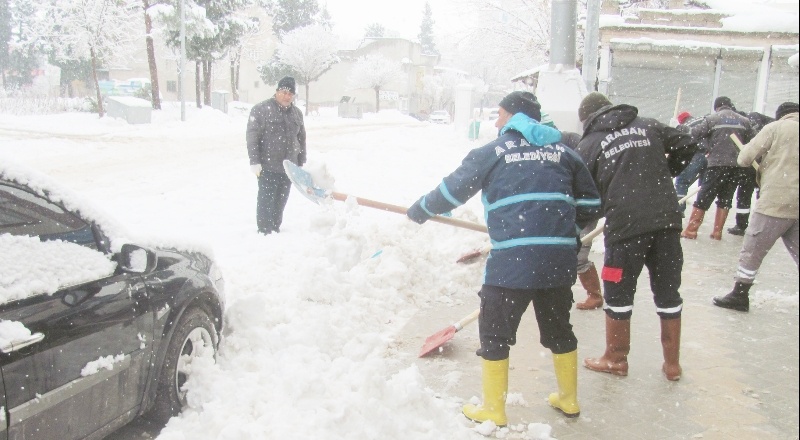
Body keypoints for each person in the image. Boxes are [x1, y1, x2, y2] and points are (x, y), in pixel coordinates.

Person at [407, 91, 602, 424]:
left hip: (513, 261)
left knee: (495, 333)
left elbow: (452, 191)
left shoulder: (491, 153)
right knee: (559, 330)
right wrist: (557, 230)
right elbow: (589, 206)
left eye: (499, 114)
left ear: (514, 117)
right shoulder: (565, 153)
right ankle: (568, 400)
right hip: (557, 262)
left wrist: (421, 209)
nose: (495, 121)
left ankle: (494, 410)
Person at [574, 92, 696, 382]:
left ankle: (616, 359)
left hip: (625, 226)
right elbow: (688, 143)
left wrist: (604, 201)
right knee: (668, 291)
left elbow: (582, 190)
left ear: (588, 119)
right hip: (666, 220)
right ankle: (672, 365)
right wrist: (663, 171)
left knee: (617, 290)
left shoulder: (590, 143)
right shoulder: (648, 125)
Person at [713, 102, 799, 312]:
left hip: (775, 202)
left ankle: (740, 294)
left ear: (781, 116)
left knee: (753, 249)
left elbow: (744, 158)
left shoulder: (775, 128)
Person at [682, 97, 754, 240]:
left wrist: (706, 146)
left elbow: (694, 134)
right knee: (726, 198)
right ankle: (717, 232)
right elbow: (753, 140)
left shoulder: (712, 119)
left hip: (717, 164)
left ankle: (691, 230)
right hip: (736, 165)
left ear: (717, 107)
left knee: (704, 196)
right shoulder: (744, 121)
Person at [246, 76, 307, 234]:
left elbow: (301, 139)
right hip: (267, 166)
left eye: (290, 94)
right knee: (266, 202)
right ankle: (264, 231)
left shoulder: (297, 114)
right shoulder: (261, 110)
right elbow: (252, 138)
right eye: (284, 92)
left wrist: (300, 162)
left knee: (280, 202)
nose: (287, 96)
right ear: (277, 91)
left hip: (288, 168)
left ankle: (275, 230)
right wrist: (254, 161)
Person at [727, 111, 774, 236]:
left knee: (745, 194)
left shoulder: (750, 121)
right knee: (760, 195)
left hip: (753, 164)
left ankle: (743, 225)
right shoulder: (764, 122)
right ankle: (762, 227)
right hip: (763, 164)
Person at [673, 111, 708, 216]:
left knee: (682, 181)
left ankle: (679, 209)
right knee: (704, 186)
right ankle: (700, 210)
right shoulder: (703, 120)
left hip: (696, 154)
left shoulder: (684, 127)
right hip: (710, 155)